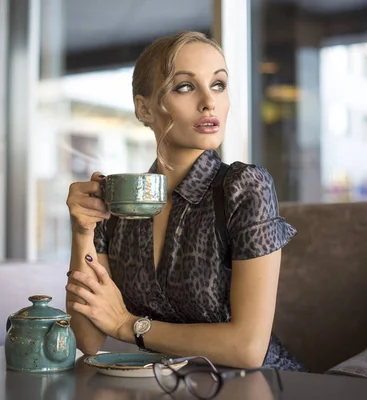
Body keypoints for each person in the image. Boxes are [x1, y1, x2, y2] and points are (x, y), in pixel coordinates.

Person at [65, 31, 305, 371]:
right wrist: (82, 231)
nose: (209, 101)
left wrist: (127, 325)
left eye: (219, 84)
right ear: (144, 108)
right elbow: (88, 341)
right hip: (162, 386)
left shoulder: (244, 187)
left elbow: (248, 349)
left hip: (254, 385)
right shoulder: (118, 203)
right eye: (185, 86)